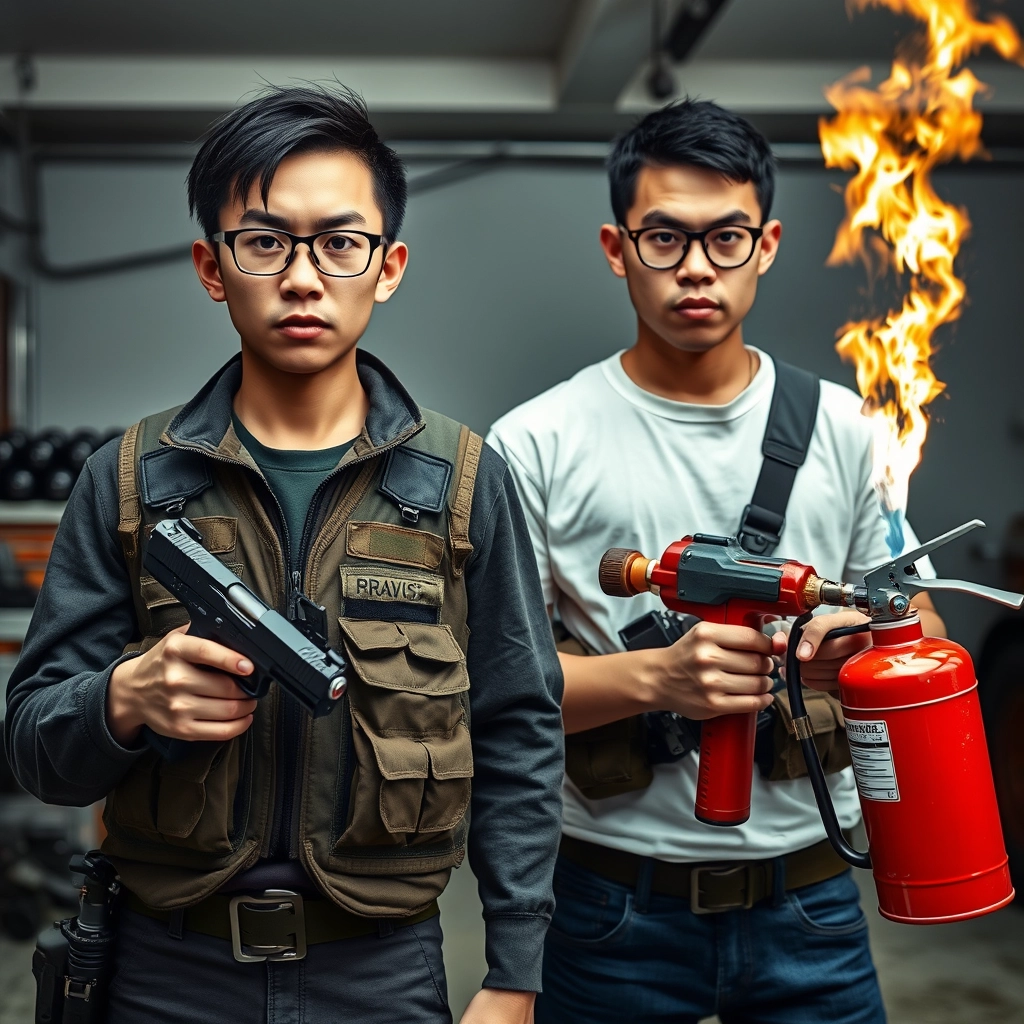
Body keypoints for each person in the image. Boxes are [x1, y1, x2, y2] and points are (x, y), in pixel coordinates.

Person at [5, 84, 563, 1024]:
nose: (303, 276)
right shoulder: (127, 480)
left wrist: (515, 975)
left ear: (387, 268)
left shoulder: (463, 483)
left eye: (339, 244)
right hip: (165, 973)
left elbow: (520, 734)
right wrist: (124, 698)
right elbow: (33, 747)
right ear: (212, 267)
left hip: (381, 972)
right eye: (265, 242)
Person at [487, 98, 945, 1024]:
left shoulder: (852, 431)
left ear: (767, 244)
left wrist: (850, 648)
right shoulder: (534, 442)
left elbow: (921, 629)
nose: (696, 267)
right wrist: (661, 677)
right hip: (610, 907)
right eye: (664, 238)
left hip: (813, 903)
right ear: (618, 249)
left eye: (726, 238)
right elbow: (495, 692)